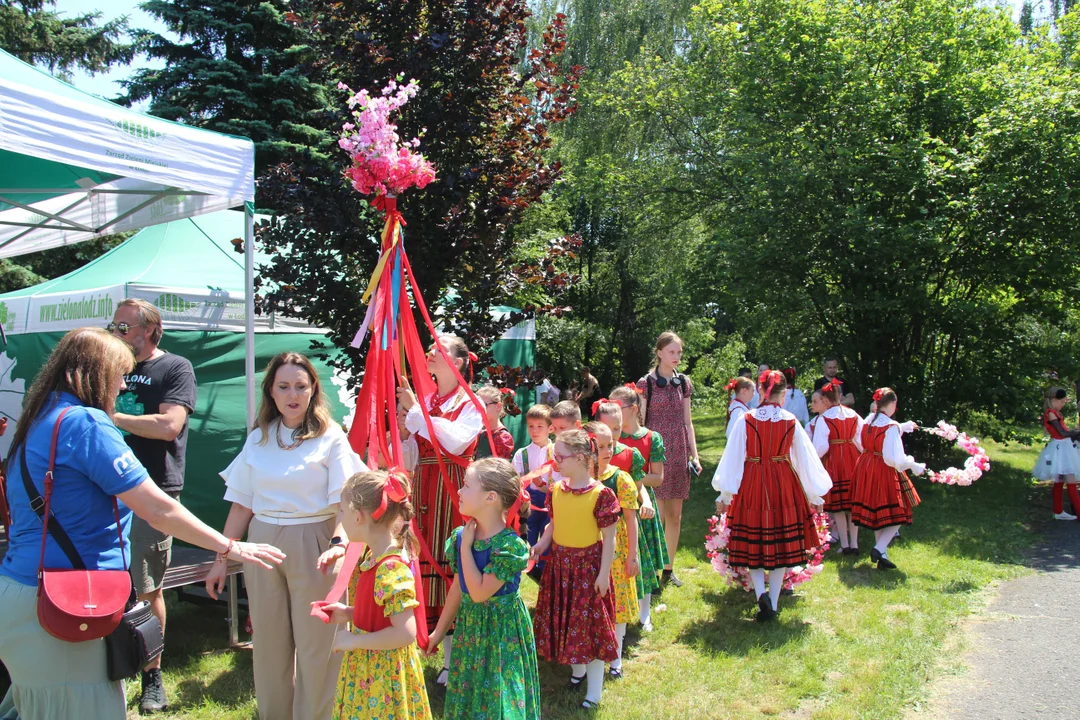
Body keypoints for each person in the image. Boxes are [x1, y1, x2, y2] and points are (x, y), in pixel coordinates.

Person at [0, 327, 284, 720]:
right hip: (63, 603)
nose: (121, 384)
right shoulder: (86, 425)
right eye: (119, 373)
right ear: (94, 372)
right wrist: (229, 546)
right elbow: (158, 508)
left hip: (22, 592)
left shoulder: (37, 419)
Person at [208, 352, 367, 720]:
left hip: (316, 542)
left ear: (313, 389)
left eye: (300, 385)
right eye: (283, 386)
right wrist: (220, 559)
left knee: (317, 645)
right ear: (271, 391)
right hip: (260, 543)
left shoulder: (332, 437)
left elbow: (346, 502)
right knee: (269, 644)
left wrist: (339, 543)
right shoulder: (259, 438)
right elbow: (241, 505)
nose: (292, 394)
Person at [108, 299, 197, 713]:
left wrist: (112, 418)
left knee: (145, 587)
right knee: (104, 581)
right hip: (103, 490)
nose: (115, 333)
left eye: (123, 327)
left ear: (150, 330)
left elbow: (169, 426)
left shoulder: (174, 368)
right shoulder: (111, 365)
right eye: (113, 325)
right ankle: (108, 667)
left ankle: (152, 676)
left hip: (152, 491)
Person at [395, 335, 484, 685]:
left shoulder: (471, 402)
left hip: (456, 488)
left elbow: (456, 441)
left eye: (439, 348)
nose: (431, 352)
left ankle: (458, 657)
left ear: (458, 362)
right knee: (426, 562)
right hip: (426, 487)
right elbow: (414, 454)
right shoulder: (429, 399)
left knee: (453, 564)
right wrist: (405, 430)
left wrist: (416, 411)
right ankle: (440, 654)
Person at [712, 370, 831, 621]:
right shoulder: (790, 420)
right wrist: (815, 494)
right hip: (782, 482)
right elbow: (804, 459)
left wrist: (725, 493)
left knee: (754, 544)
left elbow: (733, 457)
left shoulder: (746, 419)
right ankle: (773, 604)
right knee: (780, 546)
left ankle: (760, 597)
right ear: (784, 393)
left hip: (753, 480)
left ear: (761, 390)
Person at [427, 459, 540, 720]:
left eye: (466, 486)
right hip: (471, 630)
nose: (459, 491)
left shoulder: (509, 547)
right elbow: (459, 587)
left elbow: (478, 593)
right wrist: (438, 632)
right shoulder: (460, 535)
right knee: (470, 691)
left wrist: (466, 548)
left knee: (499, 696)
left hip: (500, 634)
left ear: (490, 497)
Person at [321, 470, 432, 720]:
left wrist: (354, 641)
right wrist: (349, 613)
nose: (340, 517)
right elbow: (383, 615)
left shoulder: (390, 568)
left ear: (358, 517)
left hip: (384, 678)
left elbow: (405, 632)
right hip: (370, 669)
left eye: (342, 512)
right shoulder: (372, 558)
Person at [531, 429, 619, 710]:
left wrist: (603, 574)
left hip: (587, 570)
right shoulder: (557, 490)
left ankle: (594, 692)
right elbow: (553, 524)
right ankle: (577, 673)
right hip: (560, 567)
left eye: (559, 456)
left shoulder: (601, 494)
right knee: (569, 624)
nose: (554, 461)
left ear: (581, 458)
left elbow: (609, 539)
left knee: (590, 631)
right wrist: (542, 544)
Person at [636, 332, 701, 589]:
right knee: (657, 513)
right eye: (672, 352)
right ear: (659, 352)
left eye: (679, 353)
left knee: (675, 515)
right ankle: (651, 567)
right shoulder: (646, 383)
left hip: (679, 452)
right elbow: (640, 423)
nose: (676, 357)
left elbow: (688, 422)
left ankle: (668, 569)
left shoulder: (684, 383)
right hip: (655, 454)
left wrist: (694, 454)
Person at [610, 385, 669, 631]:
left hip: (639, 504)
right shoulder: (608, 438)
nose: (611, 411)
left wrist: (629, 479)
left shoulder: (650, 438)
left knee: (642, 559)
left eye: (616, 407)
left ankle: (645, 613)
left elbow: (658, 478)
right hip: (612, 504)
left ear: (633, 409)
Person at [584, 422, 639, 679]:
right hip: (586, 550)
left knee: (617, 605)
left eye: (610, 445)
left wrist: (632, 556)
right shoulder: (579, 480)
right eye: (600, 446)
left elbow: (630, 519)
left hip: (616, 552)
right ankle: (587, 655)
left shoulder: (621, 478)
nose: (607, 451)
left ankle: (616, 655)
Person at [849, 388, 926, 570]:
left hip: (866, 466)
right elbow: (896, 459)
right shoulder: (890, 427)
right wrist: (915, 465)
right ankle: (879, 547)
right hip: (883, 469)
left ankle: (882, 555)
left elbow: (876, 435)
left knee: (878, 513)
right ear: (892, 404)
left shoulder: (868, 420)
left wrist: (903, 426)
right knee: (899, 511)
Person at [812, 379, 865, 555]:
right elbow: (860, 440)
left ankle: (844, 544)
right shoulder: (854, 415)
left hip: (835, 461)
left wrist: (812, 461)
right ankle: (855, 544)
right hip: (852, 460)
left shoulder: (824, 418)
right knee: (852, 505)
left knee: (840, 507)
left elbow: (821, 447)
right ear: (840, 396)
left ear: (826, 400)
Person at [512, 404, 555, 580]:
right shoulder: (521, 454)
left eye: (540, 426)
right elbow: (515, 480)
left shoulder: (557, 452)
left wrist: (546, 487)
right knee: (527, 544)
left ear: (550, 428)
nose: (535, 431)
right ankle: (537, 577)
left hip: (552, 505)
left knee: (549, 544)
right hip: (529, 506)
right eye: (531, 426)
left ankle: (548, 584)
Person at [1034, 387, 1080, 519]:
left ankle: (1058, 511)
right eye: (1062, 401)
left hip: (1063, 448)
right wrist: (1077, 432)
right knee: (1070, 481)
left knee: (1060, 481)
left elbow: (1065, 433)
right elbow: (1062, 433)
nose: (1063, 404)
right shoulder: (1051, 414)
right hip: (1061, 451)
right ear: (1054, 400)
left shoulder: (1055, 413)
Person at [473, 386, 516, 460]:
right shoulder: (480, 434)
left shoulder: (502, 437)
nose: (479, 409)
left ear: (498, 406)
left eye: (484, 405)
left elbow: (501, 469)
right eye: (477, 405)